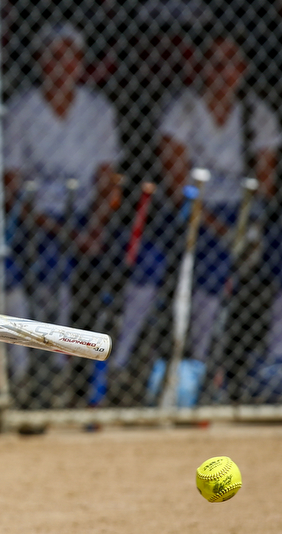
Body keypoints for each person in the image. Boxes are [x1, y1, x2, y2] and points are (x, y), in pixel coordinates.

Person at [112, 32, 280, 399]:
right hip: (192, 215)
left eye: (231, 64)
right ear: (201, 68)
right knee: (212, 261)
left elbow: (264, 188)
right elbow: (178, 186)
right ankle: (194, 368)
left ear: (244, 70)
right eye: (214, 63)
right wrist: (223, 231)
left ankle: (273, 362)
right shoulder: (184, 109)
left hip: (242, 216)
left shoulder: (256, 116)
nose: (223, 73)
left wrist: (246, 230)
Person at [2, 23, 122, 406]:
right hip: (39, 219)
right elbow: (11, 189)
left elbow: (109, 182)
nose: (62, 64)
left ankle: (112, 370)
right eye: (53, 55)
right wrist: (67, 233)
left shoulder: (98, 109)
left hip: (88, 216)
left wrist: (96, 226)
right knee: (51, 266)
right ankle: (47, 376)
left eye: (71, 55)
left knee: (143, 262)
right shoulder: (22, 110)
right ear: (40, 61)